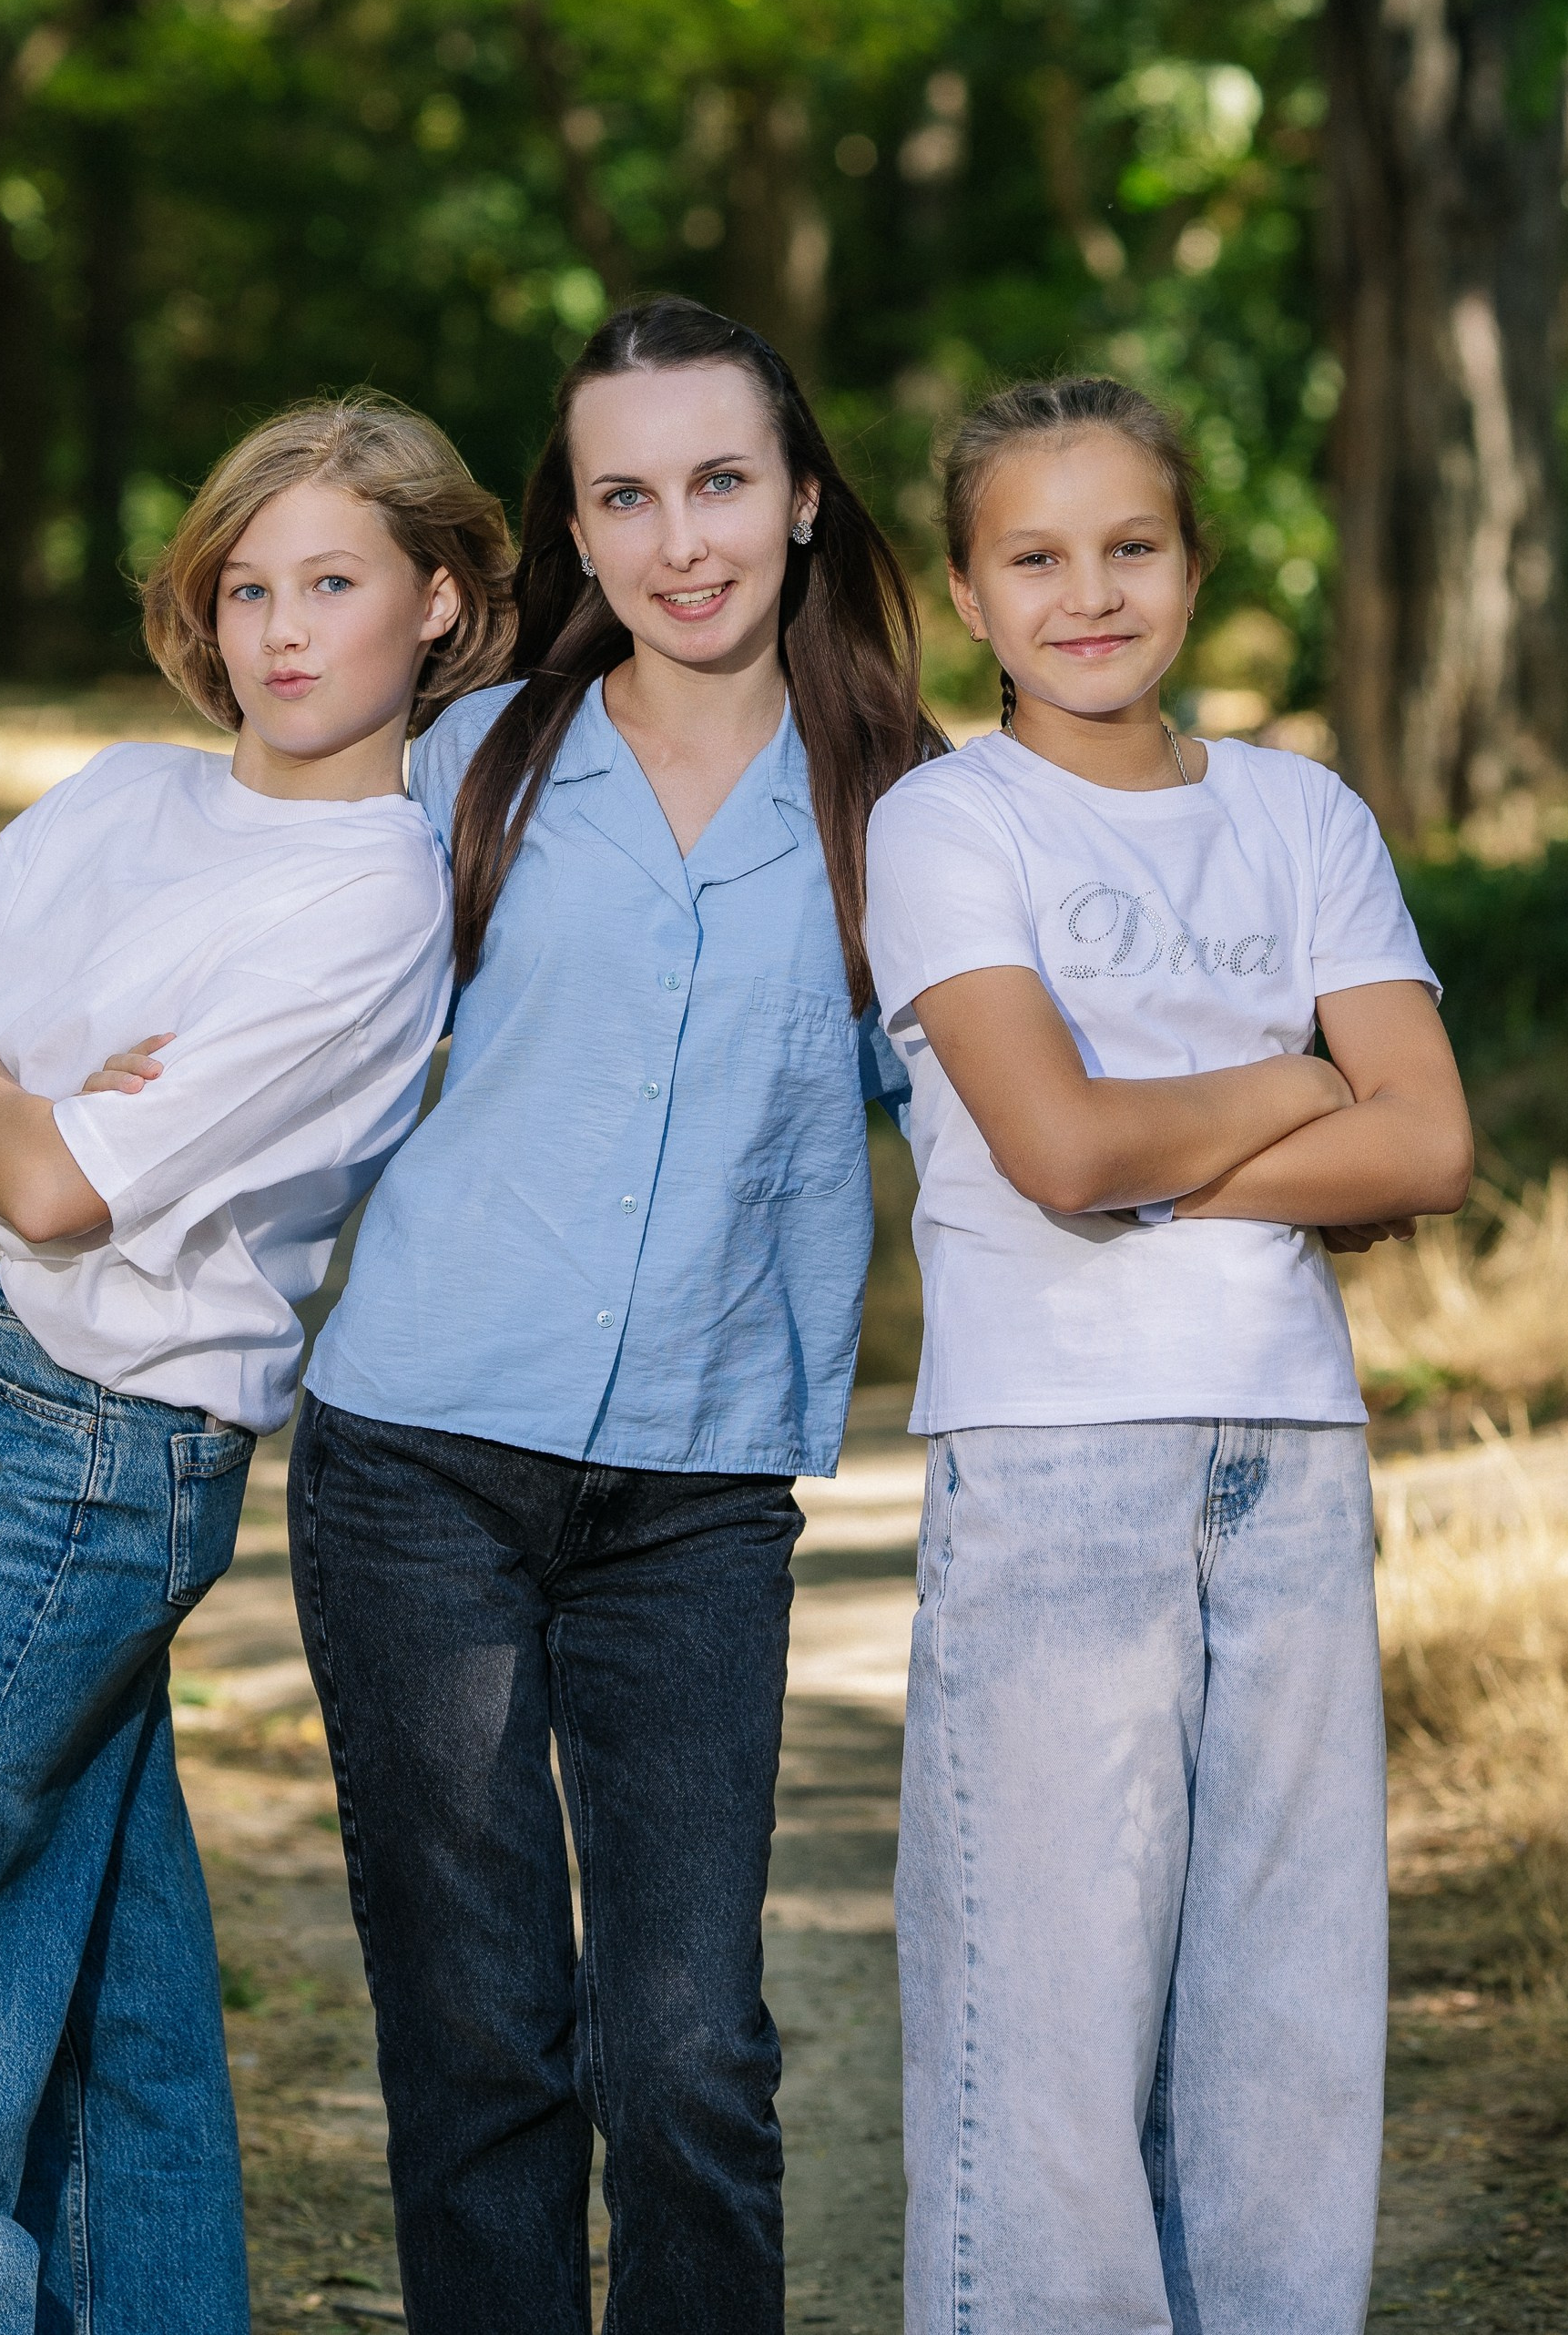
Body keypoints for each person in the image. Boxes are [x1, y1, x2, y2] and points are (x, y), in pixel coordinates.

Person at [0, 396, 514, 2335]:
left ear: (438, 598)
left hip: (85, 1451)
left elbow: (59, 1186)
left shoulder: (370, 897)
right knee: (95, 1998)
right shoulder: (103, 803)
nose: (280, 627)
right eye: (245, 583)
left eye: (331, 580)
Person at [289, 295, 942, 2335]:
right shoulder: (466, 765)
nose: (680, 538)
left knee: (682, 2053)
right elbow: (267, 1016)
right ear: (570, 528)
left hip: (692, 1498)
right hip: (414, 1469)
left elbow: (1009, 1119)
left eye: (720, 480)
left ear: (801, 494)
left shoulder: (906, 812)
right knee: (480, 2038)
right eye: (623, 493)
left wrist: (1278, 1148)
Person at [862, 374, 1474, 2335]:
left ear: (1192, 563)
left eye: (1128, 544)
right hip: (1048, 1458)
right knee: (1042, 2001)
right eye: (1032, 555)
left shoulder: (1298, 811)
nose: (1086, 591)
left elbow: (1430, 1138)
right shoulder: (946, 821)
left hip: (1285, 1445)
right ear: (966, 592)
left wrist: (1156, 1138)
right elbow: (1049, 1144)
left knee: (1286, 1990)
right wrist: (1297, 1085)